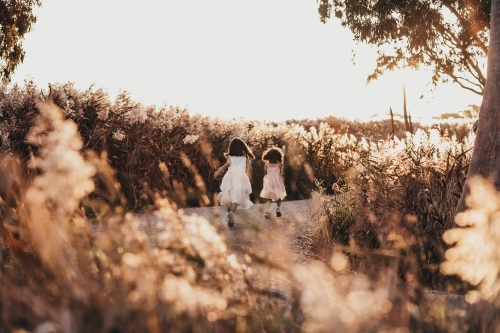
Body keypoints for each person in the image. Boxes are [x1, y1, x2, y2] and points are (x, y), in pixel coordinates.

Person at [213, 138, 254, 227]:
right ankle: (231, 213)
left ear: (231, 148)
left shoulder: (230, 157)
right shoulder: (245, 157)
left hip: (230, 178)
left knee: (228, 197)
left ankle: (229, 214)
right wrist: (247, 176)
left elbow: (226, 165)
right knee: (237, 198)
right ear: (243, 147)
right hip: (241, 178)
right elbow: (249, 168)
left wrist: (218, 172)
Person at [260, 147, 286, 218]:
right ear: (278, 156)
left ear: (268, 156)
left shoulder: (266, 165)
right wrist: (283, 183)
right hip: (278, 181)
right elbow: (282, 174)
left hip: (269, 182)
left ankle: (267, 211)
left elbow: (265, 174)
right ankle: (278, 209)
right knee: (279, 196)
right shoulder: (280, 164)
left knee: (269, 198)